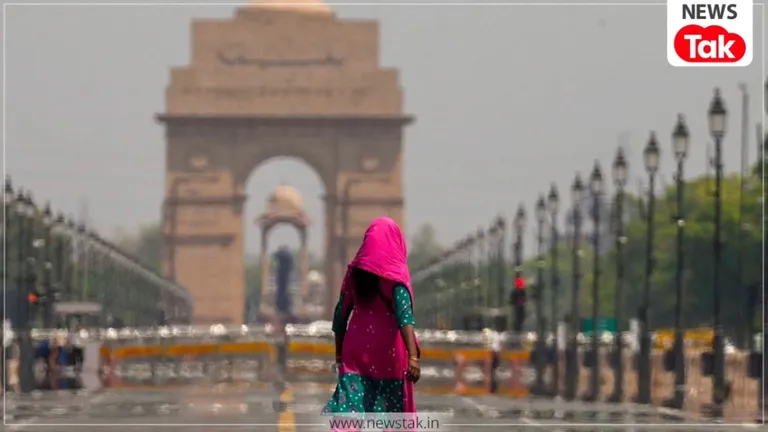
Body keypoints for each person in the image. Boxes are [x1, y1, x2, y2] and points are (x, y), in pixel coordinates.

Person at [322, 217, 421, 418]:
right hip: (389, 356)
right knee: (390, 415)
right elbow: (405, 317)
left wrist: (340, 356)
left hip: (356, 353)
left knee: (349, 411)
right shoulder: (396, 278)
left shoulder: (354, 275)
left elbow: (340, 317)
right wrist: (413, 356)